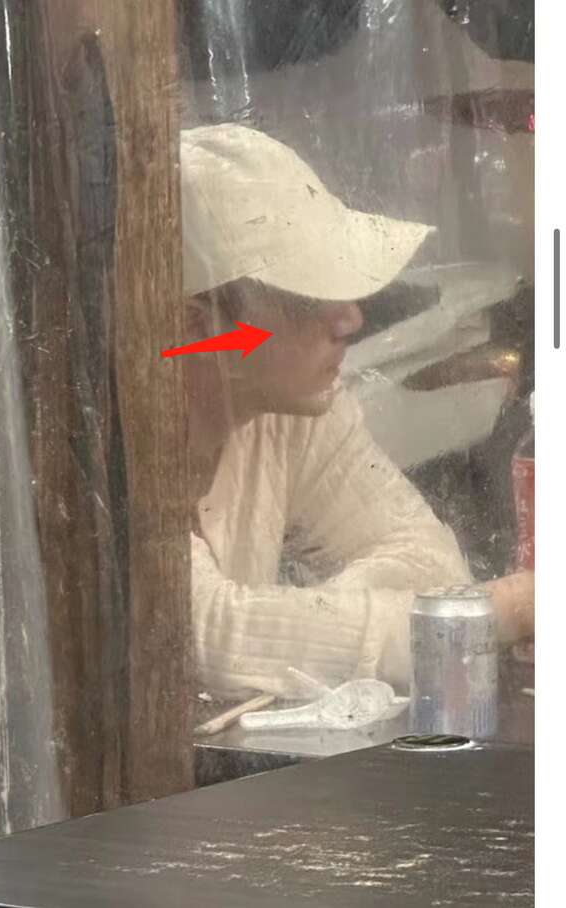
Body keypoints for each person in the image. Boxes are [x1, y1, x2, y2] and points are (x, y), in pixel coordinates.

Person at [182, 124, 534, 701]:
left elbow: (430, 561)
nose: (350, 318)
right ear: (201, 328)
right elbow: (208, 634)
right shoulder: (113, 454)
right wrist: (508, 609)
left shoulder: (292, 410)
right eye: (306, 294)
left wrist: (314, 628)